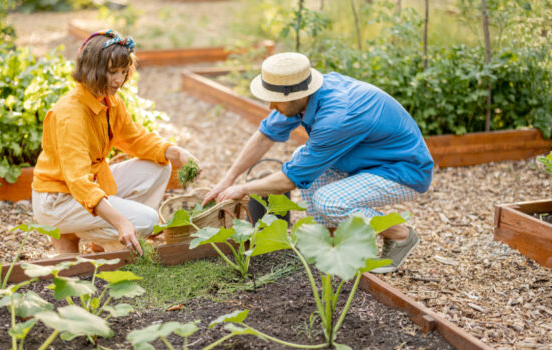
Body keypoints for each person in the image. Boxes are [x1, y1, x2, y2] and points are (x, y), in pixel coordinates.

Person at [204, 52, 434, 273]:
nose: (271, 107)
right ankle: (331, 242)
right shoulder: (302, 93)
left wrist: (242, 189)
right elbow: (266, 134)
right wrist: (228, 179)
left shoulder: (337, 117)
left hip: (402, 170)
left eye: (276, 101)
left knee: (329, 201)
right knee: (301, 157)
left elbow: (290, 180)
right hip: (364, 161)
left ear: (298, 96)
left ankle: (401, 234)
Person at [32, 30, 197, 256]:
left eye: (123, 71)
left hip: (91, 184)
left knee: (160, 165)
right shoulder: (71, 115)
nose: (119, 80)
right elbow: (79, 182)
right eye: (112, 72)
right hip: (58, 199)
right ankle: (105, 234)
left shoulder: (109, 100)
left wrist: (172, 151)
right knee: (147, 220)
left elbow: (134, 138)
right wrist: (120, 221)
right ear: (93, 70)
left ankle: (110, 240)